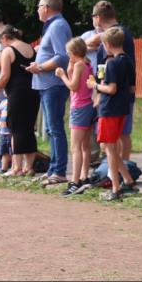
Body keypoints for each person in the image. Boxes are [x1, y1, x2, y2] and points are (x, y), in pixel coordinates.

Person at [25, 0, 72, 185]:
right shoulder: (52, 26)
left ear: (46, 7)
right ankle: (54, 168)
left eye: (38, 6)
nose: (37, 10)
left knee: (55, 128)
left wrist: (40, 67)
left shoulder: (58, 26)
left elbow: (62, 56)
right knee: (52, 129)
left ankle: (59, 170)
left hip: (54, 84)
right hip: (47, 84)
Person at [88, 28, 137, 200]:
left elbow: (111, 88)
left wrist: (94, 85)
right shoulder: (128, 61)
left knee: (108, 148)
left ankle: (116, 188)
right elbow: (132, 87)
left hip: (109, 109)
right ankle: (128, 180)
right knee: (112, 146)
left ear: (107, 44)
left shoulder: (112, 63)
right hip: (123, 108)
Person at [86, 0, 136, 161]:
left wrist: (99, 90)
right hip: (121, 90)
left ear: (98, 17)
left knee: (118, 134)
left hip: (113, 92)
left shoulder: (112, 36)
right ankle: (120, 168)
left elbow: (106, 67)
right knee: (121, 133)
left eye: (93, 17)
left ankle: (121, 168)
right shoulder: (120, 33)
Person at [0, 26, 39, 176]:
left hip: (17, 93)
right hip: (33, 90)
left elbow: (4, 76)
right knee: (29, 128)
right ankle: (29, 167)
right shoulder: (30, 47)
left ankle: (16, 167)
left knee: (15, 127)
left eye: (1, 41)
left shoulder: (8, 51)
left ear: (5, 38)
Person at [55, 38, 93, 196]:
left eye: (69, 52)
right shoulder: (87, 64)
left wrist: (62, 75)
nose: (67, 55)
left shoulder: (78, 65)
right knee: (85, 145)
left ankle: (75, 181)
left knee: (75, 147)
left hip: (79, 107)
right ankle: (84, 176)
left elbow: (73, 86)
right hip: (88, 105)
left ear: (74, 52)